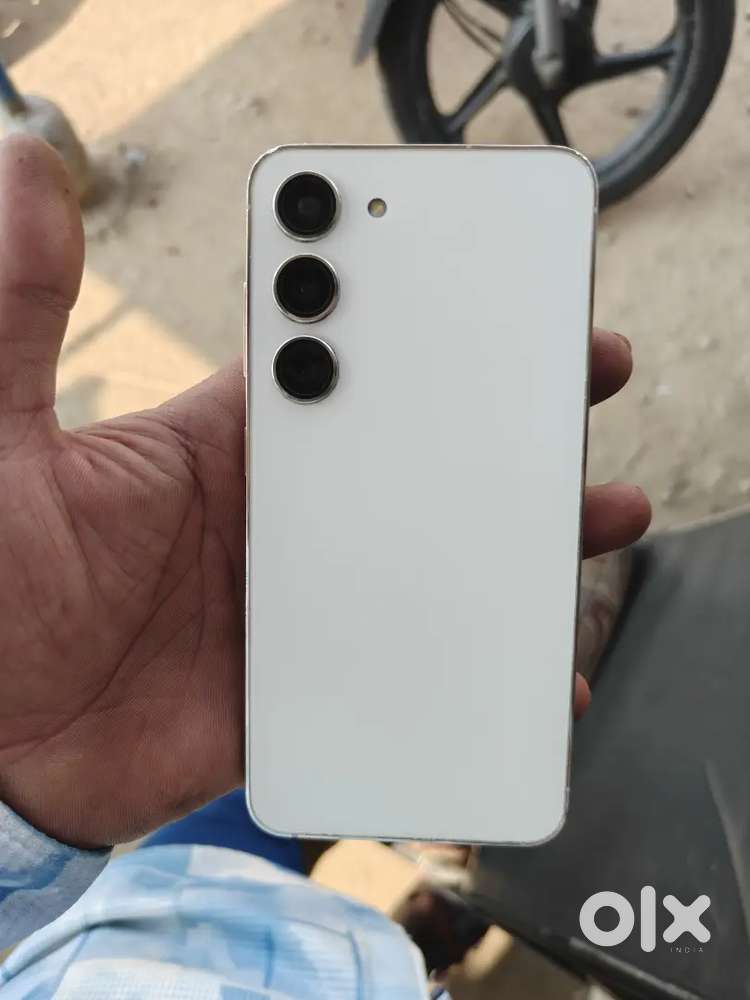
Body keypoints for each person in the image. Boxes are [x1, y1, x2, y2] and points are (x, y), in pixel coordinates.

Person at [0, 135, 651, 998]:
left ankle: (419, 889)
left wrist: (17, 796)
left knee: (292, 769)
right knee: (332, 742)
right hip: (159, 939)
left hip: (143, 933)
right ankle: (418, 917)